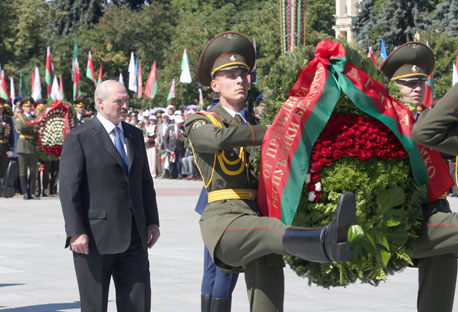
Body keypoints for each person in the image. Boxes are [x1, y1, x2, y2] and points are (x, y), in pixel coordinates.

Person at [184, 32, 356, 312]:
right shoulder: (200, 121)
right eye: (230, 75)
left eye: (243, 74)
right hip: (225, 220)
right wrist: (273, 131)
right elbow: (214, 140)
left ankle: (322, 237)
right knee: (266, 232)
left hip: (259, 216)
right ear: (215, 85)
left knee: (270, 292)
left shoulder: (260, 121)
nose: (240, 80)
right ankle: (323, 241)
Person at [381, 41, 458, 312]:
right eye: (408, 82)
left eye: (421, 81)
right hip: (406, 221)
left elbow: (431, 132)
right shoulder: (382, 124)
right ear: (393, 86)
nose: (417, 87)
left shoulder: (430, 118)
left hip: (437, 213)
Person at [59, 80, 160, 312]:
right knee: (94, 305)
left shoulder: (134, 135)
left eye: (126, 100)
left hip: (134, 236)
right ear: (100, 103)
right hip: (94, 238)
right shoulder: (80, 137)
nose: (125, 105)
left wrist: (152, 221)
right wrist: (76, 231)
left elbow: (145, 182)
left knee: (138, 302)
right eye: (118, 101)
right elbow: (68, 188)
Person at [15, 97, 39, 200]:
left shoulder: (35, 117)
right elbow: (20, 127)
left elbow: (37, 128)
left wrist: (30, 126)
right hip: (23, 146)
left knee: (33, 171)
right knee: (23, 171)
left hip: (33, 146)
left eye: (30, 106)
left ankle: (32, 192)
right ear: (23, 107)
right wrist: (32, 126)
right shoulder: (19, 117)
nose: (28, 108)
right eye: (26, 106)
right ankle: (25, 193)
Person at [0, 98, 16, 197]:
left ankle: (1, 189)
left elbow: (11, 136)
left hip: (4, 147)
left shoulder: (8, 119)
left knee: (3, 169)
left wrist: (10, 149)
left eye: (1, 108)